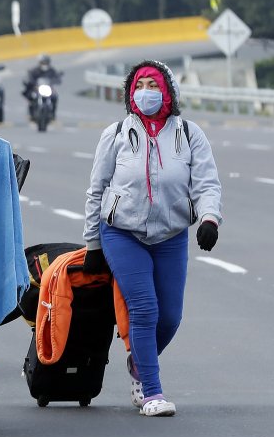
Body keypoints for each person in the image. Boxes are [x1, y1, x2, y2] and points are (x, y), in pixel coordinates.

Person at [81, 59, 222, 417]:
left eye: (154, 85)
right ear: (130, 93)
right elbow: (96, 190)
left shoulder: (189, 133)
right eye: (140, 86)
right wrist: (93, 244)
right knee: (144, 308)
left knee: (170, 317)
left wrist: (209, 218)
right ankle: (152, 392)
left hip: (171, 234)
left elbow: (207, 182)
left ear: (169, 92)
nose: (146, 92)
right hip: (122, 233)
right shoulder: (115, 134)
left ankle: (138, 363)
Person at [24, 54, 61, 118]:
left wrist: (56, 81)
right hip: (37, 89)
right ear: (39, 62)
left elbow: (56, 78)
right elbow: (30, 78)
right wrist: (33, 84)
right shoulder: (34, 70)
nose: (44, 64)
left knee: (55, 97)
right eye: (43, 62)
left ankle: (53, 114)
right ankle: (31, 114)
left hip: (48, 88)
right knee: (31, 97)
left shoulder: (51, 70)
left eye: (46, 62)